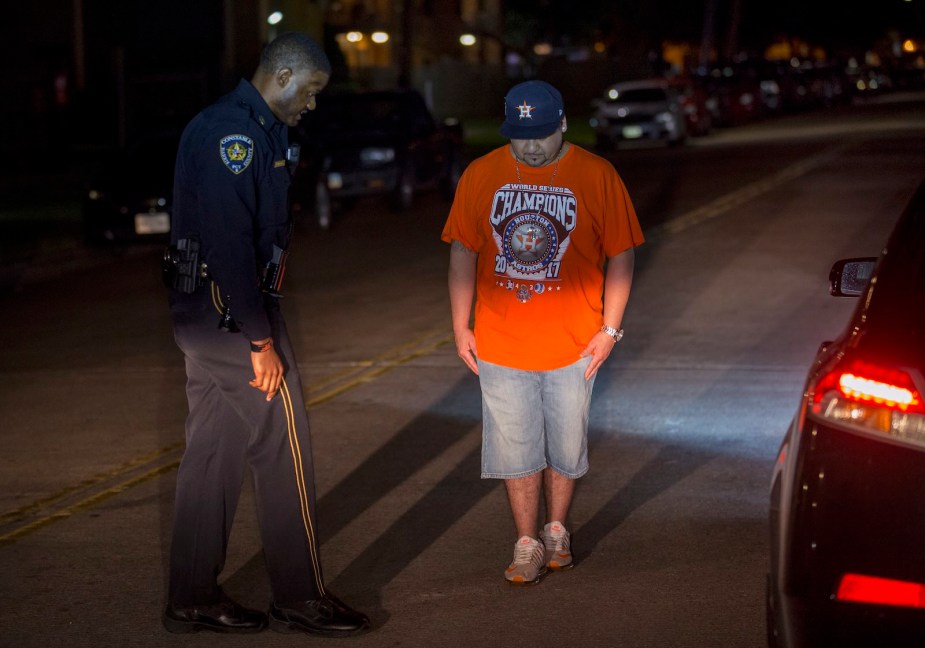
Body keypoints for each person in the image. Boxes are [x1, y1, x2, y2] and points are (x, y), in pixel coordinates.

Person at [161, 32, 369, 636]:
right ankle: (301, 596)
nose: (312, 104)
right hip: (233, 315)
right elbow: (229, 243)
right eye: (310, 91)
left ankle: (192, 595)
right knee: (285, 447)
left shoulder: (252, 128)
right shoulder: (234, 136)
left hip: (205, 317)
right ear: (281, 76)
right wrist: (258, 340)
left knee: (212, 453)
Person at [441, 79, 644, 585]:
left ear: (563, 125)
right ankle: (526, 542)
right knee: (515, 448)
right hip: (501, 340)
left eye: (540, 135)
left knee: (566, 446)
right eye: (519, 135)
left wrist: (610, 330)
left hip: (575, 343)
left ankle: (557, 530)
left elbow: (622, 252)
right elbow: (463, 251)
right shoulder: (481, 173)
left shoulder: (597, 175)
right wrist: (459, 324)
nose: (530, 147)